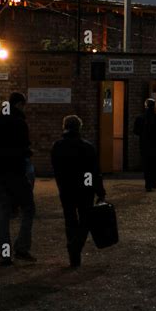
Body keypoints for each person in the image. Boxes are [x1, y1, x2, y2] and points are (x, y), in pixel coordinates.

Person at [0, 92, 36, 265]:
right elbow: (25, 148)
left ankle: (5, 254)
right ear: (18, 104)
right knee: (28, 208)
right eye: (23, 105)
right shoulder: (19, 123)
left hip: (1, 174)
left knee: (3, 214)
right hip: (17, 172)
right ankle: (21, 248)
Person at [51, 115, 106, 268]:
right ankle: (75, 247)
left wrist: (61, 185)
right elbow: (95, 172)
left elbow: (56, 170)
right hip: (85, 190)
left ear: (64, 127)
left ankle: (73, 255)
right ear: (79, 128)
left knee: (70, 221)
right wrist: (100, 191)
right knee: (86, 220)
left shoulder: (57, 146)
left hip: (66, 189)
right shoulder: (87, 147)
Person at [133, 98, 156, 192]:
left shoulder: (140, 118)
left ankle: (148, 184)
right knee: (155, 164)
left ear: (145, 106)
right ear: (154, 106)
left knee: (146, 164)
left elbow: (136, 131)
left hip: (144, 144)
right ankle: (154, 182)